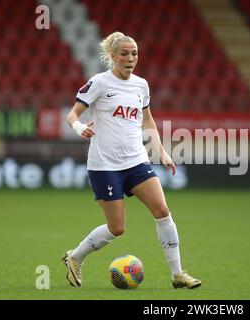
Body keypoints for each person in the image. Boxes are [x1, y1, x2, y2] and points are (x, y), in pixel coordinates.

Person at [62, 31, 201, 289]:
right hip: (105, 165)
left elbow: (147, 120)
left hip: (136, 161)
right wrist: (80, 129)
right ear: (113, 56)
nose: (130, 58)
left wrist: (161, 151)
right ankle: (75, 257)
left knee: (162, 211)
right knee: (117, 228)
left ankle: (178, 274)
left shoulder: (141, 85)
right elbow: (72, 114)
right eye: (124, 53)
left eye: (134, 53)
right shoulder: (99, 83)